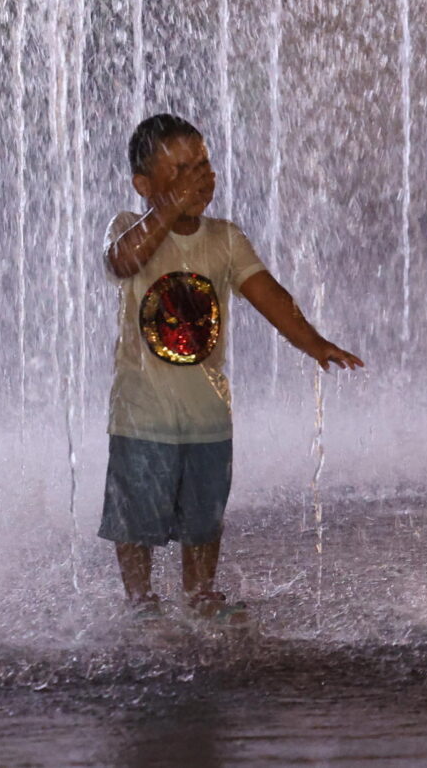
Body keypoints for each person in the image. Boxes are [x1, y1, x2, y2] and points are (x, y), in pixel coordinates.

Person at [101, 114, 362, 621]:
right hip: (140, 414)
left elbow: (270, 296)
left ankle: (200, 593)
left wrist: (315, 343)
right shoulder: (125, 227)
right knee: (136, 518)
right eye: (179, 170)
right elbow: (122, 261)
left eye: (203, 164)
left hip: (207, 414)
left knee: (204, 517)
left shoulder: (224, 238)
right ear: (144, 185)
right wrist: (170, 207)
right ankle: (140, 598)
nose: (199, 178)